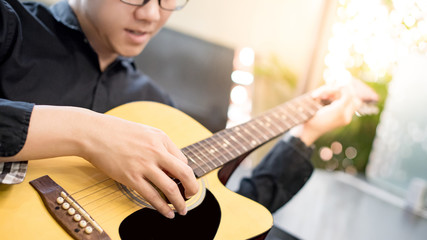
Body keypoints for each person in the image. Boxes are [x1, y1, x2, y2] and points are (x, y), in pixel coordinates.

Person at [0, 0, 376, 221]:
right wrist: (87, 132)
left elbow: (225, 219)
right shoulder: (11, 26)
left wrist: (304, 135)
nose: (151, 14)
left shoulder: (156, 108)